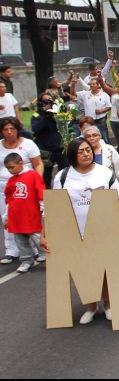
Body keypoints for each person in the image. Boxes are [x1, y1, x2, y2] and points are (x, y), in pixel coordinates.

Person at [48, 137, 119, 324]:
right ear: (72, 155)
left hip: (103, 229)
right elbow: (54, 207)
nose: (86, 154)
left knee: (105, 269)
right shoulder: (62, 177)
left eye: (88, 150)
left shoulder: (105, 173)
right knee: (82, 270)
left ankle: (108, 305)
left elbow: (118, 202)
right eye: (81, 151)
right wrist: (47, 233)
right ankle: (90, 307)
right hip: (75, 232)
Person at [0, 117, 43, 264]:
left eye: (12, 129)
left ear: (17, 129)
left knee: (30, 221)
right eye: (5, 129)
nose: (9, 132)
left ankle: (36, 250)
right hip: (4, 189)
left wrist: (36, 183)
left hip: (26, 189)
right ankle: (11, 250)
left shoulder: (28, 144)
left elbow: (38, 164)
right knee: (8, 219)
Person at [2, 153, 45, 273]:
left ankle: (48, 256)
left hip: (31, 215)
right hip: (16, 216)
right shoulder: (11, 180)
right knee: (20, 240)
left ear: (21, 163)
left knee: (38, 238)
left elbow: (40, 191)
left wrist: (43, 207)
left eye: (12, 167)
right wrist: (6, 217)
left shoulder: (33, 175)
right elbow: (8, 199)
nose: (10, 170)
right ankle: (26, 260)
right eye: (8, 168)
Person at [31, 92, 67, 188]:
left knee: (64, 175)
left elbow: (66, 124)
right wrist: (44, 113)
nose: (49, 103)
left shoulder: (57, 113)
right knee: (46, 178)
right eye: (46, 101)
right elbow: (36, 129)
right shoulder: (37, 115)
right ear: (40, 103)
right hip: (46, 151)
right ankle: (46, 195)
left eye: (50, 101)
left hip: (59, 148)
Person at [81, 125, 119, 197]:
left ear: (100, 136)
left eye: (94, 135)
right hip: (88, 192)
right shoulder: (82, 153)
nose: (91, 138)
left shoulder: (109, 149)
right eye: (88, 136)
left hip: (109, 188)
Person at [75, 78, 112, 143]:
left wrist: (102, 110)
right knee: (90, 137)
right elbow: (74, 93)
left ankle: (107, 147)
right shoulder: (85, 94)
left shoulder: (104, 95)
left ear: (98, 85)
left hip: (101, 120)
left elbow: (109, 107)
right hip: (89, 121)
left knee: (104, 137)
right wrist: (73, 84)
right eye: (90, 84)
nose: (91, 85)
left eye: (93, 84)